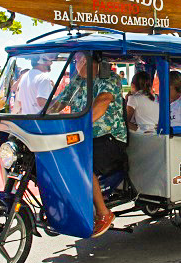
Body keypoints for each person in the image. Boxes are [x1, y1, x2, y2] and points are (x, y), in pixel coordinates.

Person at [50, 52, 127, 238]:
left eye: (76, 61)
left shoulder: (109, 78)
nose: (75, 65)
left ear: (86, 60)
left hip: (109, 139)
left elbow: (103, 101)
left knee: (81, 164)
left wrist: (81, 124)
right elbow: (61, 101)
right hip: (82, 136)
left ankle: (103, 212)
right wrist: (42, 115)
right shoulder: (78, 80)